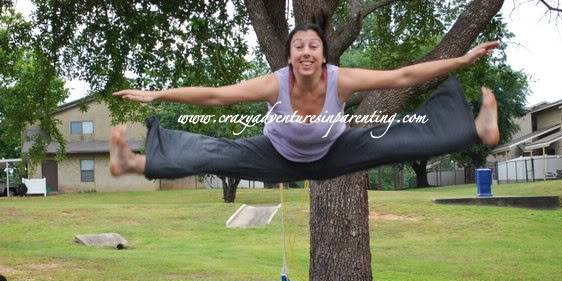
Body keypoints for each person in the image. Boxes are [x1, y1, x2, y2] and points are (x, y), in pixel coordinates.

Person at [109, 21, 499, 183]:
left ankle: (475, 128)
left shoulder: (341, 80)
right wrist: (160, 92)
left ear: (324, 55)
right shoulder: (273, 84)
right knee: (215, 153)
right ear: (290, 55)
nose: (306, 51)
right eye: (299, 46)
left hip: (335, 151)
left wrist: (461, 59)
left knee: (396, 139)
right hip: (276, 154)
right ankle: (133, 161)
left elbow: (403, 75)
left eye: (313, 45)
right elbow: (216, 94)